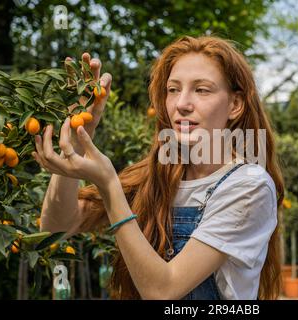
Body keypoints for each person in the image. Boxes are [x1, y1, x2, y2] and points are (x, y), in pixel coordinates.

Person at [33, 35, 284, 300]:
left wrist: (109, 186)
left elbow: (163, 291)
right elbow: (55, 229)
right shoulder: (154, 176)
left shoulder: (248, 186)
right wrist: (76, 137)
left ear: (235, 104)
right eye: (173, 89)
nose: (181, 104)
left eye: (202, 90)